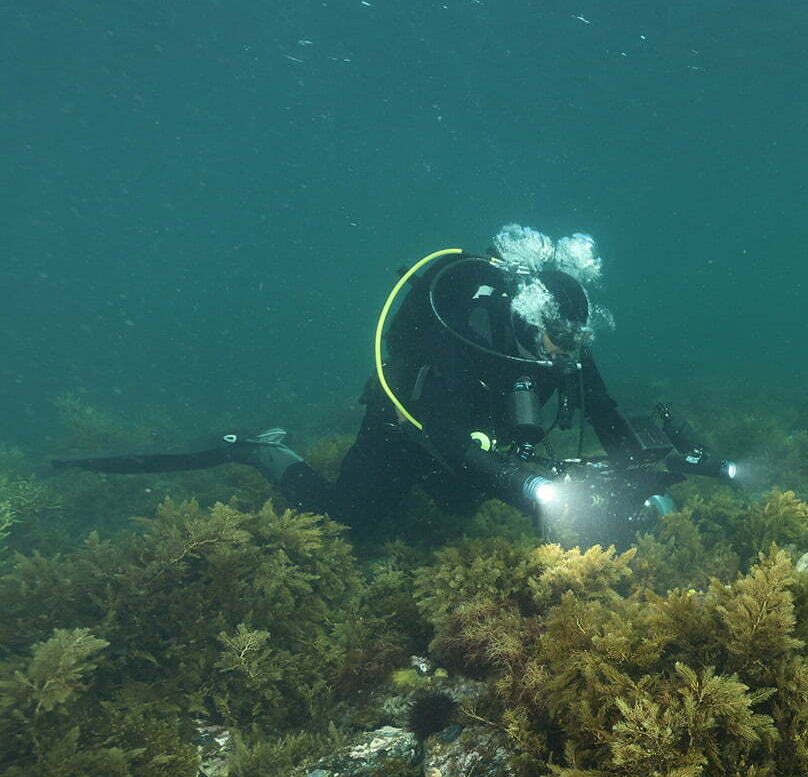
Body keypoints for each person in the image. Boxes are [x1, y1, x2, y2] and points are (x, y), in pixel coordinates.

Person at [54, 225, 734, 541]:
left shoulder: (564, 347)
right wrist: (529, 488)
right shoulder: (463, 335)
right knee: (346, 519)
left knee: (459, 505)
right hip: (406, 427)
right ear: (528, 319)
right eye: (557, 341)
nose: (565, 356)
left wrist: (637, 472)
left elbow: (605, 409)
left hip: (475, 441)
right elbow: (443, 431)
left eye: (574, 344)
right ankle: (261, 448)